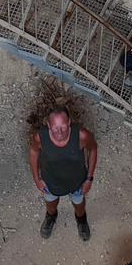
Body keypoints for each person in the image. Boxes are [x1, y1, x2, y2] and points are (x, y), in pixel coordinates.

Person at [29, 101, 99, 241]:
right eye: (55, 127)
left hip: (77, 182)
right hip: (51, 182)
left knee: (79, 205)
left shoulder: (81, 135)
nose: (59, 131)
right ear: (49, 125)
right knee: (51, 204)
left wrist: (89, 179)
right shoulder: (41, 137)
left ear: (69, 123)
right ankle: (51, 217)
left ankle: (81, 220)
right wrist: (37, 178)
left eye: (63, 126)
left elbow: (93, 149)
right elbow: (33, 152)